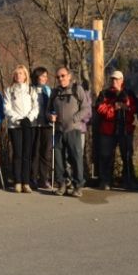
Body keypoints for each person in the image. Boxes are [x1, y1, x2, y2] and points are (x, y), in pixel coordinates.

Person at [49, 68, 91, 197]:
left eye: (63, 75)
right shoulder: (54, 92)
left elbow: (86, 108)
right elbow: (48, 110)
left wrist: (74, 119)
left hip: (73, 130)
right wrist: (50, 116)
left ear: (69, 76)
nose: (60, 78)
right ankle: (62, 184)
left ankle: (78, 186)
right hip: (59, 130)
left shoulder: (77, 89)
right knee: (59, 159)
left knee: (76, 159)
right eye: (58, 77)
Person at [94, 71, 138, 190]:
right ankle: (105, 181)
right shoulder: (104, 93)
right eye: (112, 79)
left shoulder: (129, 93)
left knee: (127, 156)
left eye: (117, 79)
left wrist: (126, 107)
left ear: (122, 80)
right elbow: (100, 109)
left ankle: (129, 181)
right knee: (106, 156)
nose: (114, 81)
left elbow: (135, 108)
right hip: (108, 130)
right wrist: (114, 108)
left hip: (125, 129)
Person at [4, 64, 38, 193]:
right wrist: (18, 119)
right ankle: (17, 181)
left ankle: (26, 182)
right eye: (16, 73)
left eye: (21, 73)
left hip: (29, 125)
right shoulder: (9, 90)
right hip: (15, 126)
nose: (19, 75)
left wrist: (28, 119)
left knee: (27, 155)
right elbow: (7, 108)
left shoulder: (31, 90)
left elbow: (36, 107)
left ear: (25, 76)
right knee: (17, 154)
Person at [30, 67, 54, 190]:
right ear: (36, 76)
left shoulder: (49, 90)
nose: (44, 78)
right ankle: (33, 179)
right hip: (34, 125)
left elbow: (53, 105)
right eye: (42, 76)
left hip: (47, 125)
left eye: (46, 76)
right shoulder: (30, 90)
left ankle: (44, 179)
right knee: (34, 152)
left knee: (46, 153)